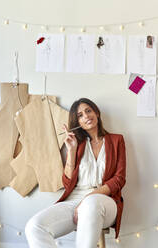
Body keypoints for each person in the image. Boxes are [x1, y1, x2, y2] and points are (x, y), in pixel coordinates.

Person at [25, 98, 126, 248]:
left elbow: (119, 179)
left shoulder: (116, 140)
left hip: (104, 201)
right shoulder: (78, 144)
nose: (86, 116)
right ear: (78, 122)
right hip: (74, 201)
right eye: (80, 115)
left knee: (91, 204)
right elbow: (67, 183)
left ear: (96, 113)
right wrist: (71, 151)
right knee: (34, 227)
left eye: (88, 111)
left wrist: (87, 200)